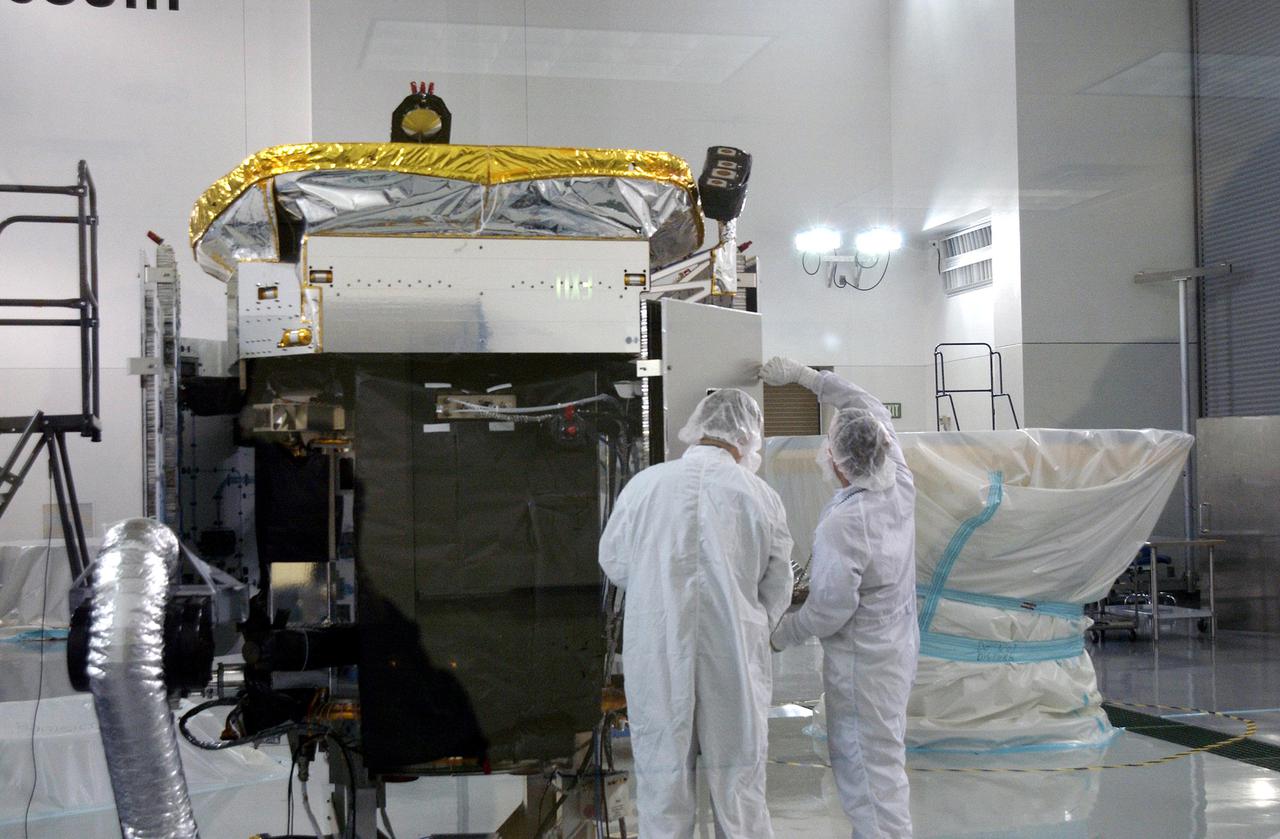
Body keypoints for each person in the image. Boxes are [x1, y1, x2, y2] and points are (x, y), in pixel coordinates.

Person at [598, 388, 794, 839]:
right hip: (734, 656)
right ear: (746, 437)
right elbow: (778, 584)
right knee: (739, 786)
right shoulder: (759, 495)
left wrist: (658, 591)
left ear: (699, 429)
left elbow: (614, 560)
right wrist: (747, 620)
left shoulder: (645, 486)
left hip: (660, 647)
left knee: (664, 781)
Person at [761, 357, 919, 839]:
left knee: (866, 775)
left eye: (827, 447)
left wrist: (778, 635)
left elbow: (830, 610)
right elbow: (867, 406)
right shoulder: (898, 483)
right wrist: (809, 380)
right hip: (893, 648)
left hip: (862, 666)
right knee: (882, 766)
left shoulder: (845, 524)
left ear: (837, 459)